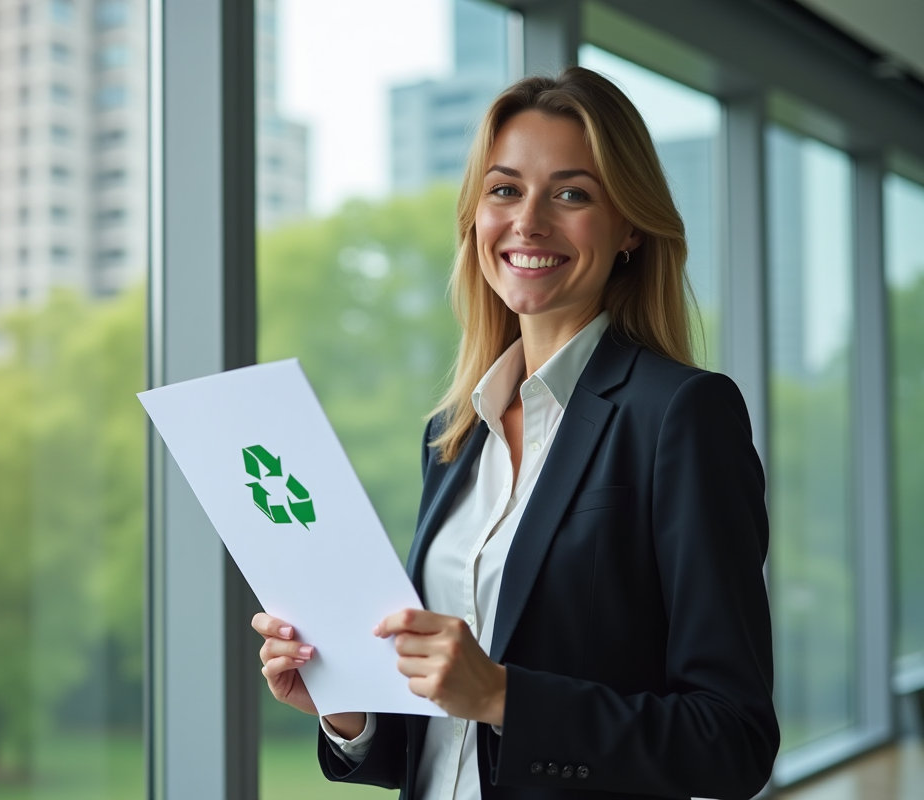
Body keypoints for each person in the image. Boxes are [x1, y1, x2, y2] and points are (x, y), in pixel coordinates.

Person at [252, 66, 778, 800]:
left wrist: (504, 695)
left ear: (629, 227)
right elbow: (445, 741)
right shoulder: (455, 435)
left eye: (571, 193)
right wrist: (346, 710)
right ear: (476, 216)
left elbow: (734, 742)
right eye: (505, 189)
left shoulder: (681, 415)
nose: (528, 221)